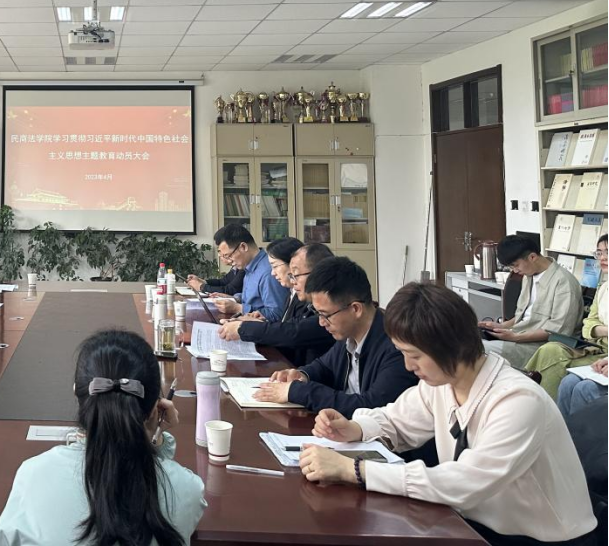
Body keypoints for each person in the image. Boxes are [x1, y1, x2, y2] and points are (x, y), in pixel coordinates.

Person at [298, 282, 597, 546]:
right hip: (474, 525)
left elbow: (463, 482)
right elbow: (396, 420)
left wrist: (355, 470)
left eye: (414, 355)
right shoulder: (443, 384)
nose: (408, 366)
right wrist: (356, 428)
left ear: (450, 347)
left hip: (541, 540)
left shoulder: (518, 400)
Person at [0, 329, 205, 546]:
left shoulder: (32, 477)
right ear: (155, 409)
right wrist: (156, 439)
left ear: (77, 393)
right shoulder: (187, 489)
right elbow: (160, 479)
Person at [255, 257, 417, 414]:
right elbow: (324, 366)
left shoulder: (397, 347)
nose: (321, 322)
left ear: (355, 309)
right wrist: (302, 375)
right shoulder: (349, 334)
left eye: (325, 315)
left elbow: (371, 406)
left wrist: (299, 391)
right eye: (317, 313)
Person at [221, 242, 336, 366]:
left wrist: (244, 328)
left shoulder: (330, 309)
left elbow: (294, 333)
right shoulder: (296, 296)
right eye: (291, 274)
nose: (293, 280)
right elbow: (288, 328)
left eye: (296, 274)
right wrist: (258, 324)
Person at [480, 234, 584, 368]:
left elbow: (558, 331)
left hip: (543, 346)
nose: (515, 271)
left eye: (516, 265)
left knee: (479, 350)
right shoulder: (529, 275)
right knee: (467, 339)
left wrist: (515, 337)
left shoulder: (564, 282)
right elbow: (525, 316)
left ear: (532, 257)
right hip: (520, 335)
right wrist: (501, 326)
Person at [526, 234, 608, 397]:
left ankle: (542, 404)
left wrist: (597, 329)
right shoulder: (603, 287)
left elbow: (592, 327)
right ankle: (536, 402)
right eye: (599, 253)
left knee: (568, 378)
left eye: (608, 252)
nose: (603, 258)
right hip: (597, 348)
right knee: (549, 350)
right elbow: (588, 326)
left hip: (603, 353)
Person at [200, 224, 290, 322]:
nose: (229, 261)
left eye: (229, 256)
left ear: (243, 247)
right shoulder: (249, 266)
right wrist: (234, 298)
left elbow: (277, 314)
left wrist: (238, 308)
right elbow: (256, 298)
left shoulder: (268, 273)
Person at [185, 223, 247, 297]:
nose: (220, 255)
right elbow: (223, 282)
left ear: (243, 247)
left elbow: (230, 290)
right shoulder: (239, 265)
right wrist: (201, 281)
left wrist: (201, 287)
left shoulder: (244, 266)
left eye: (225, 254)